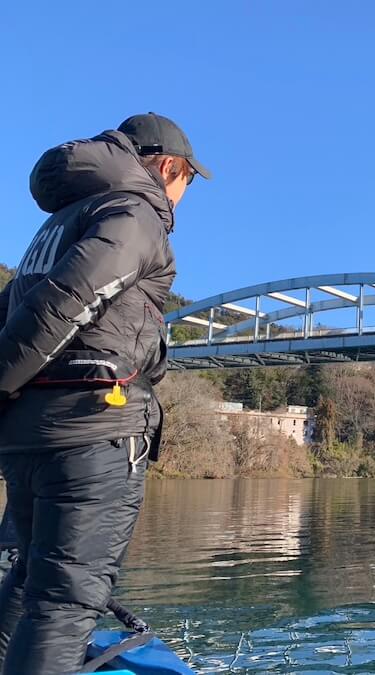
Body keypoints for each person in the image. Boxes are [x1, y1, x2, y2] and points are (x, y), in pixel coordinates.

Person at [0, 113, 210, 674]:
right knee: (65, 603)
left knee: (28, 577)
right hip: (91, 435)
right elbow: (66, 302)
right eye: (188, 181)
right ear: (170, 167)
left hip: (28, 438)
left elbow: (13, 312)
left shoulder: (61, 222)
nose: (184, 196)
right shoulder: (136, 214)